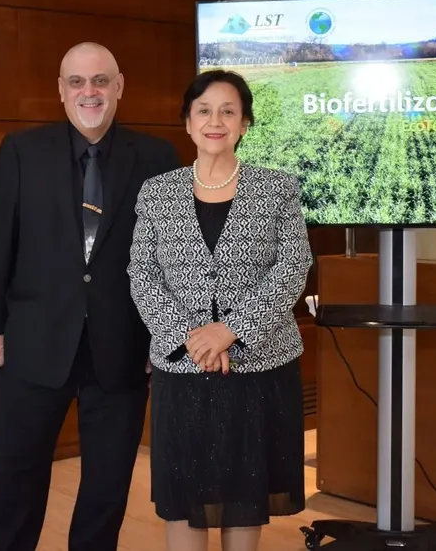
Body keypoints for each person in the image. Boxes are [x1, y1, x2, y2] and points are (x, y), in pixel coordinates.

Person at [0, 41, 181, 551]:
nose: (90, 92)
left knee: (106, 492)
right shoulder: (22, 150)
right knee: (16, 485)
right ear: (61, 91)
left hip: (123, 349)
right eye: (77, 82)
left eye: (101, 81)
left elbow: (173, 258)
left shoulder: (158, 157)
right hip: (32, 345)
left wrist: (164, 336)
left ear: (119, 87)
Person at [127, 70, 312, 551]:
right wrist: (193, 340)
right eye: (204, 111)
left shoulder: (277, 188)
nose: (216, 121)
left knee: (244, 490)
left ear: (244, 123)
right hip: (182, 370)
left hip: (259, 368)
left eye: (228, 112)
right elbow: (141, 274)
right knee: (183, 494)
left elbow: (293, 267)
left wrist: (230, 330)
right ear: (188, 122)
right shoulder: (157, 192)